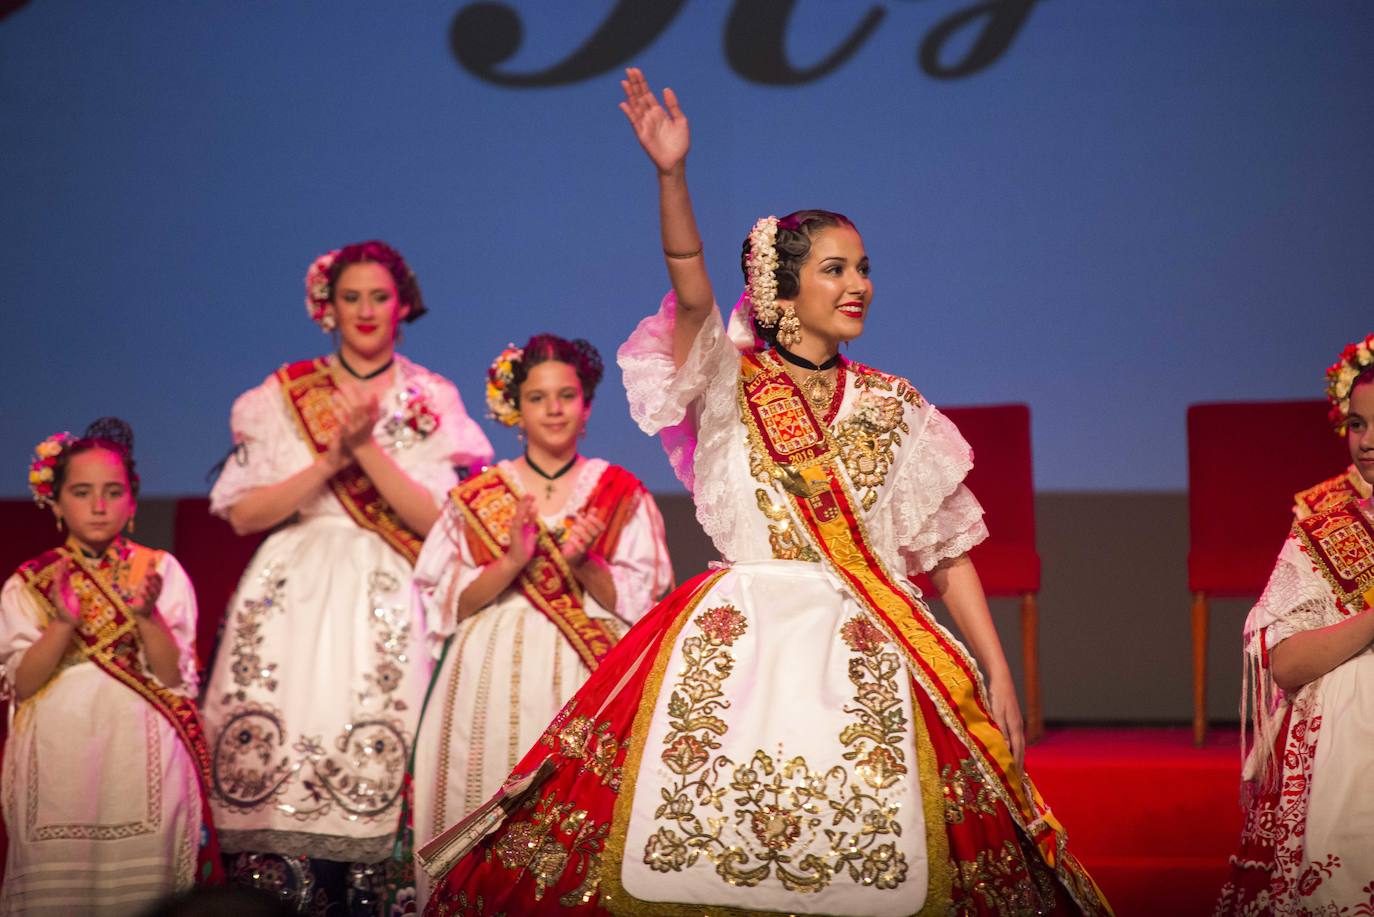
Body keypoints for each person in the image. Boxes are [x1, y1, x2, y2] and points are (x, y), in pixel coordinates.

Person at [422, 69, 1108, 916]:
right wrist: (671, 176)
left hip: (870, 640)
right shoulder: (723, 380)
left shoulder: (898, 406)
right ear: (782, 291)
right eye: (833, 268)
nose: (857, 283)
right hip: (738, 635)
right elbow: (691, 286)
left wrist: (995, 668)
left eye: (863, 267)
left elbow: (946, 549)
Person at [201, 240, 493, 912]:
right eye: (351, 297)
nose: (365, 310)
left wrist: (365, 449)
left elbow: (436, 521)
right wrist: (331, 461)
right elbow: (245, 512)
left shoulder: (429, 394)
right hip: (291, 593)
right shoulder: (285, 391)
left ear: (402, 306)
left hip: (388, 586)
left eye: (379, 296)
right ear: (325, 308)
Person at [407, 334, 673, 907]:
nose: (553, 408)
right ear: (517, 410)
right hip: (484, 673)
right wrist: (511, 561)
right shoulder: (476, 496)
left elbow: (646, 604)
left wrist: (587, 563)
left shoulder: (621, 493)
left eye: (567, 395)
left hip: (584, 681)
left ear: (586, 406)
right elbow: (444, 600)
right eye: (538, 397)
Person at [1, 418, 220, 913]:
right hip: (60, 751)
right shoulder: (29, 583)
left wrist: (146, 618)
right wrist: (61, 624)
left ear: (132, 501)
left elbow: (172, 678)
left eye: (112, 491)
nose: (99, 506)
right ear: (55, 502)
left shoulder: (161, 570)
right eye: (81, 492)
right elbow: (22, 681)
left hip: (141, 752)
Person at [1217, 333, 1374, 913]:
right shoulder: (1322, 534)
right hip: (1344, 754)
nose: (1368, 443)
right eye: (1357, 425)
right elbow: (1283, 664)